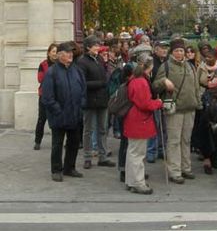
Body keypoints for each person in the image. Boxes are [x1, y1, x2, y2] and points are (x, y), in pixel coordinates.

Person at [153, 38, 201, 184]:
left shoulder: (190, 66)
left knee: (186, 140)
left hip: (190, 107)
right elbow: (155, 86)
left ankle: (186, 168)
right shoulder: (166, 66)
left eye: (182, 50)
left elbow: (196, 87)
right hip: (174, 109)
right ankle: (175, 171)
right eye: (177, 51)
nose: (180, 53)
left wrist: (198, 103)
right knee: (174, 141)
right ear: (172, 52)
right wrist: (163, 82)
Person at [42, 41, 86, 181]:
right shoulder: (52, 72)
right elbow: (47, 97)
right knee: (57, 144)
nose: (70, 55)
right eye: (67, 52)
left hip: (75, 114)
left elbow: (83, 89)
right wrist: (58, 111)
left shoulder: (76, 70)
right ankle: (56, 170)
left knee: (74, 143)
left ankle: (69, 168)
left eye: (71, 52)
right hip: (59, 115)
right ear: (60, 55)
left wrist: (81, 105)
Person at [124, 54, 163, 194]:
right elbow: (144, 104)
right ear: (150, 67)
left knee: (132, 151)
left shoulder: (135, 79)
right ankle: (138, 182)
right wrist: (158, 103)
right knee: (138, 153)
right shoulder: (141, 81)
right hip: (139, 120)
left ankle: (131, 180)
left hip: (133, 118)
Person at [77, 35, 116, 170]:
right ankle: (87, 157)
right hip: (90, 100)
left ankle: (103, 156)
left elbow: (104, 76)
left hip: (102, 100)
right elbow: (82, 83)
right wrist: (100, 83)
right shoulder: (82, 62)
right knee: (88, 130)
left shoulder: (99, 59)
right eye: (95, 45)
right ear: (88, 47)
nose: (98, 47)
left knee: (103, 129)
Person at [33, 43, 57, 150]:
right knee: (42, 119)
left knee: (56, 120)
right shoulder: (43, 65)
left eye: (56, 52)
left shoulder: (60, 65)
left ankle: (56, 142)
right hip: (44, 95)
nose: (55, 54)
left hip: (56, 96)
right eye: (53, 51)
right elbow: (40, 79)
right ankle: (37, 141)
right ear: (49, 53)